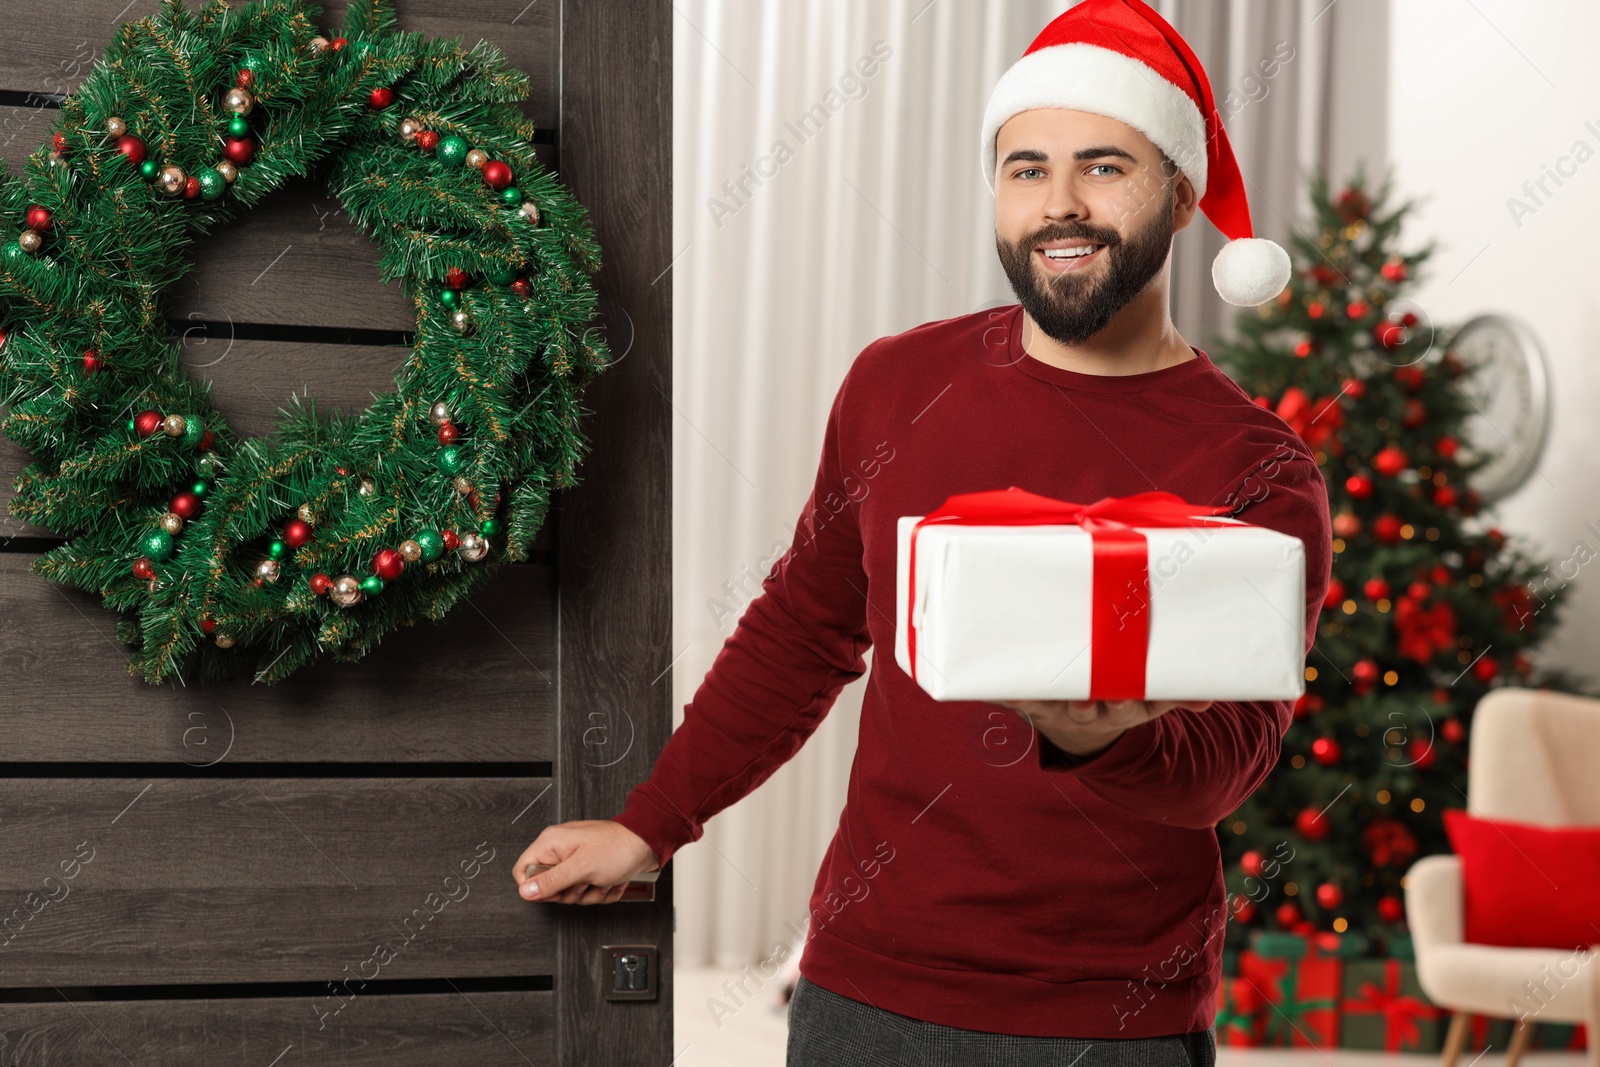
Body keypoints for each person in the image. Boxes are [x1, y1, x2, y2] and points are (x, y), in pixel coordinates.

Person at [512, 0, 1332, 1063]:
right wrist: (652, 819)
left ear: (1179, 194)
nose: (1060, 204)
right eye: (1026, 168)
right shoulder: (900, 383)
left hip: (1108, 1018)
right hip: (868, 991)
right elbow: (802, 630)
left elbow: (1233, 756)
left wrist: (1103, 735)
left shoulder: (1257, 466)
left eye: (1104, 166)